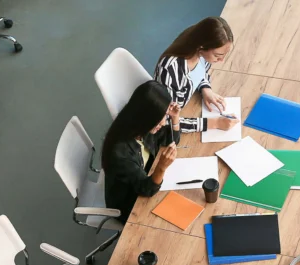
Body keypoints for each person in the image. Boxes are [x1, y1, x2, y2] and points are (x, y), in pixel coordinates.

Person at [102, 80, 181, 223]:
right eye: (160, 118)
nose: (163, 123)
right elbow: (147, 189)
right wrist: (161, 167)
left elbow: (170, 140)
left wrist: (175, 117)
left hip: (144, 180)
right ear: (146, 118)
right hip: (128, 205)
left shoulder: (141, 128)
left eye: (165, 115)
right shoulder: (121, 153)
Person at [155, 16, 238, 134]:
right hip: (164, 130)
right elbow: (167, 120)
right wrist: (214, 123)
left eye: (224, 54)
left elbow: (200, 72)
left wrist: (205, 88)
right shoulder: (171, 69)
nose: (221, 60)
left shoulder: (200, 54)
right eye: (217, 55)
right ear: (201, 47)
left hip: (187, 108)